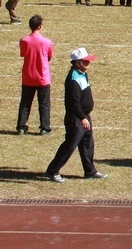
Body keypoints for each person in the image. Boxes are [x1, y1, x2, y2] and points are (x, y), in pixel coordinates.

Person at [45, 48, 107, 182]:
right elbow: (73, 102)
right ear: (78, 63)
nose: (88, 63)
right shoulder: (73, 79)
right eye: (86, 61)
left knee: (87, 144)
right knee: (70, 145)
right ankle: (53, 170)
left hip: (84, 115)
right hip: (77, 118)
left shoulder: (82, 74)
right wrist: (82, 117)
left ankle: (90, 171)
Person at [17, 14, 54, 135]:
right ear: (40, 27)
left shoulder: (24, 41)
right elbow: (49, 57)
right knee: (44, 103)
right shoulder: (47, 42)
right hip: (42, 77)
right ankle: (44, 127)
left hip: (28, 76)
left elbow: (23, 54)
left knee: (25, 103)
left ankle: (21, 126)